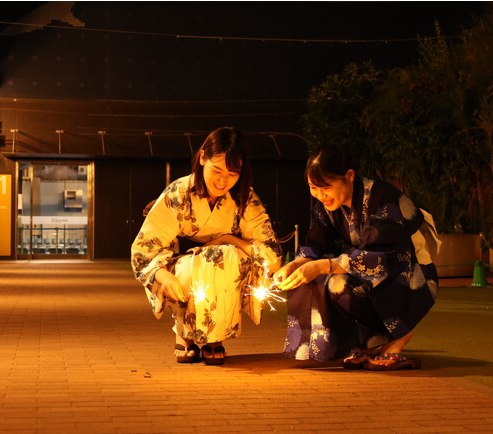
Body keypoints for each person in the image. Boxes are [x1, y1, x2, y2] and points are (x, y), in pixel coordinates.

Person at [273, 144, 439, 370]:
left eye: (326, 188)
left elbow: (383, 256)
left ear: (349, 176)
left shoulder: (382, 198)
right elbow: (316, 242)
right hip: (362, 265)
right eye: (314, 188)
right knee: (328, 283)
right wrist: (297, 263)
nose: (321, 196)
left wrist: (325, 265)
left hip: (407, 270)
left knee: (333, 275)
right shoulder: (326, 206)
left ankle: (401, 335)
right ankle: (369, 341)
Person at [131, 127, 282, 365]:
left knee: (224, 257)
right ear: (202, 158)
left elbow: (271, 255)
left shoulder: (244, 198)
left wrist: (227, 240)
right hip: (181, 265)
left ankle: (215, 336)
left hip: (227, 265)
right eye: (217, 170)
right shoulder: (178, 194)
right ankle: (184, 333)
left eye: (233, 174)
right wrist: (165, 277)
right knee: (197, 265)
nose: (223, 181)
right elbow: (143, 251)